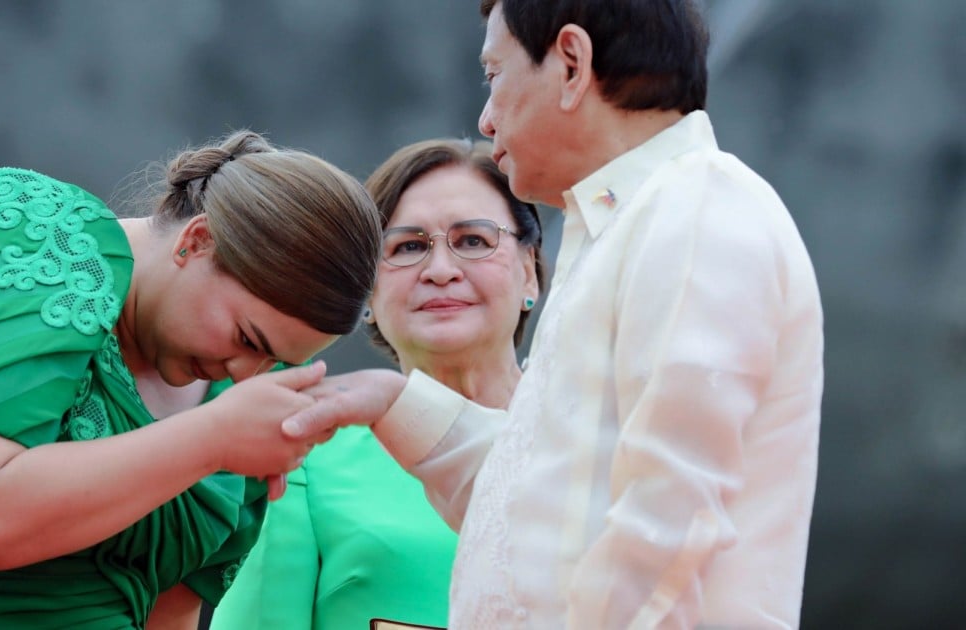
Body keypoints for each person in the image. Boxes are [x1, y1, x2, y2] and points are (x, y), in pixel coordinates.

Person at [282, 1, 825, 628]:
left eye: (494, 76)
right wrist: (393, 403)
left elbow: (673, 525)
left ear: (571, 63)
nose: (485, 120)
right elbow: (530, 511)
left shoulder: (696, 212)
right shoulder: (632, 224)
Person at [0, 129, 382, 629]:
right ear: (198, 241)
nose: (247, 373)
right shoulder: (31, 234)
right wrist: (212, 439)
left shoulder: (243, 402)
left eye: (274, 362)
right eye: (248, 340)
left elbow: (172, 612)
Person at [210, 138, 543, 630]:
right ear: (366, 291)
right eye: (408, 247)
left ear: (529, 272)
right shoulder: (304, 456)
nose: (441, 271)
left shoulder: (598, 433)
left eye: (473, 240)